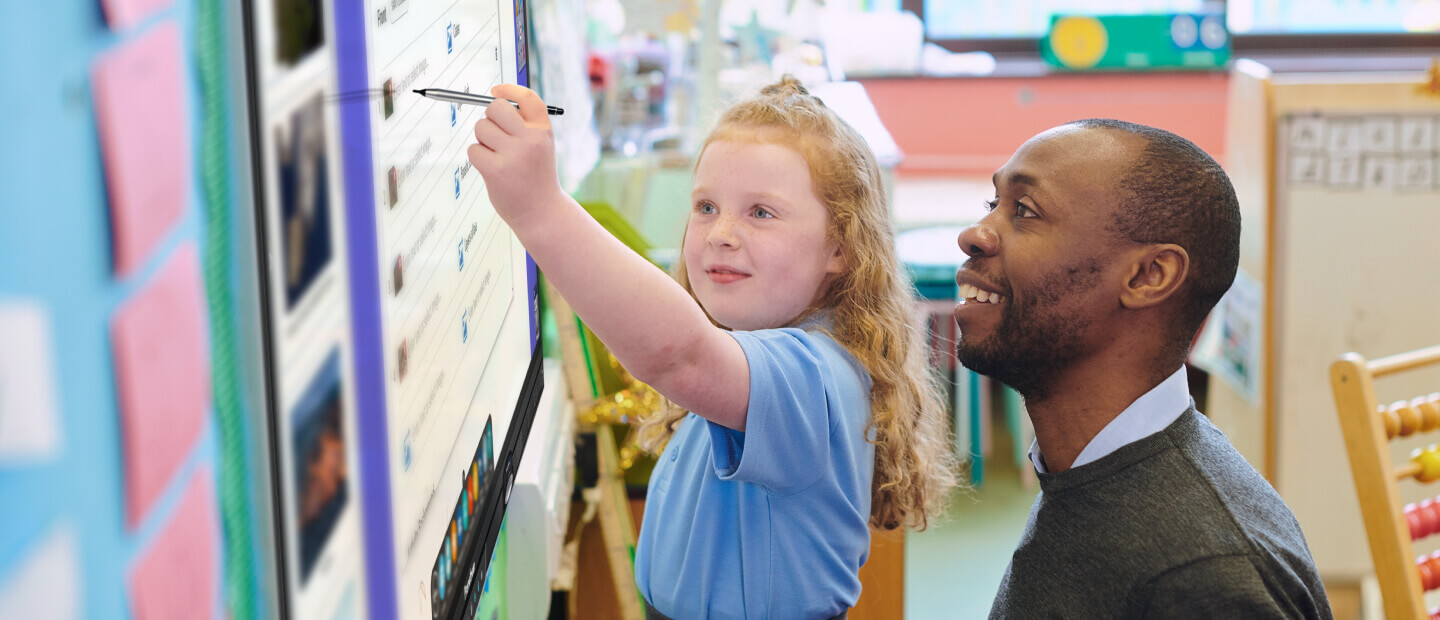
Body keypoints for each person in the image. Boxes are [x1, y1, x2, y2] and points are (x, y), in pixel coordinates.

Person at [467, 77, 956, 619]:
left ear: (840, 246)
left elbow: (680, 355)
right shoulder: (751, 342)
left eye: (760, 213)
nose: (721, 232)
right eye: (705, 207)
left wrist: (540, 209)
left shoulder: (815, 376)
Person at [954, 119, 1332, 618]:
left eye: (1023, 210)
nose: (973, 236)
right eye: (993, 205)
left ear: (1148, 276)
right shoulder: (1085, 469)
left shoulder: (1204, 579)